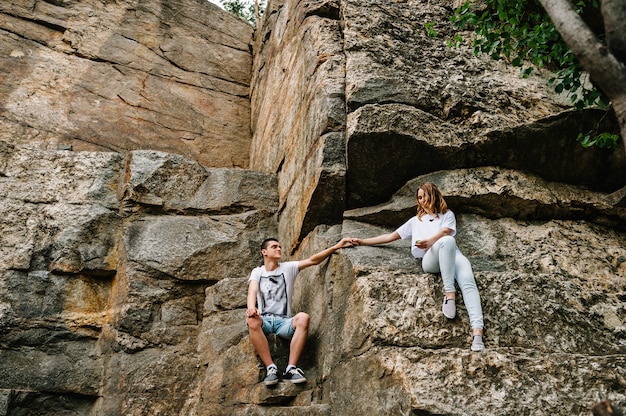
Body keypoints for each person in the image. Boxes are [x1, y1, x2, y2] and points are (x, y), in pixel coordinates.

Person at [349, 182, 485, 351]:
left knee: (468, 280)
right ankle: (450, 294)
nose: (421, 201)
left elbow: (445, 232)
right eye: (419, 198)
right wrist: (362, 241)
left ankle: (477, 335)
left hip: (453, 253)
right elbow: (391, 236)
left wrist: (430, 240)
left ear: (432, 195)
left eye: (424, 196)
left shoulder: (447, 214)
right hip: (431, 258)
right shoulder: (415, 221)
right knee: (447, 241)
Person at [247, 237, 354, 386]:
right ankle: (271, 368)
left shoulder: (288, 268)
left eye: (280, 246)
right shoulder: (258, 272)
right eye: (274, 247)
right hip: (264, 320)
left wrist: (336, 246)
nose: (279, 249)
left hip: (284, 323)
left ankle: (291, 369)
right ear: (264, 252)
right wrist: (251, 307)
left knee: (303, 317)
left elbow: (313, 260)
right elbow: (252, 290)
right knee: (252, 320)